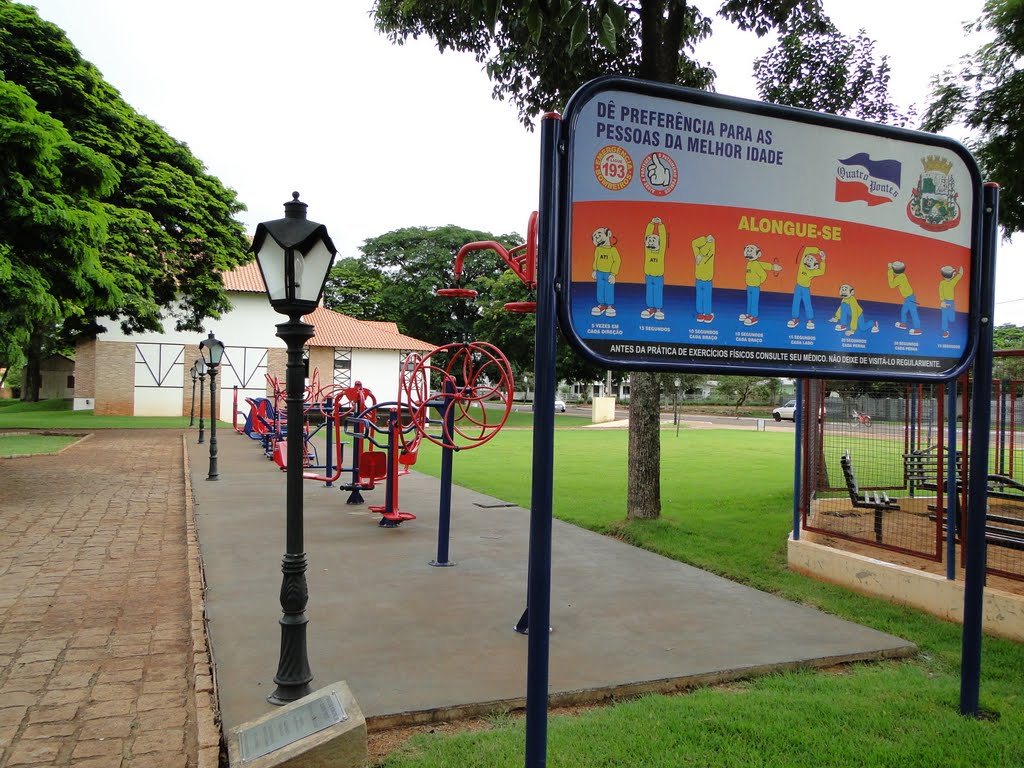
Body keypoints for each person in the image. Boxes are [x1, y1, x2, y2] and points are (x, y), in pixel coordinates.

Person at [740, 244, 780, 326]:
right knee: (749, 301)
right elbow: (762, 264)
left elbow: (764, 274)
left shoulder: (755, 264)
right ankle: (748, 314)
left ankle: (754, 317)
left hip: (755, 287)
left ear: (758, 254)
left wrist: (758, 282)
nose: (749, 252)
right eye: (747, 250)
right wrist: (772, 267)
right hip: (749, 286)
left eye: (751, 251)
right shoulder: (750, 263)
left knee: (754, 301)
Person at [788, 246, 826, 330]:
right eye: (808, 259)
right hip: (798, 287)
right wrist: (818, 251)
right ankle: (795, 319)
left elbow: (822, 271)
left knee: (807, 303)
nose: (808, 261)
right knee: (796, 302)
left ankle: (810, 320)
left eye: (811, 260)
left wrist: (823, 260)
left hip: (805, 289)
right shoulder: (802, 264)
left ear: (815, 266)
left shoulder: (813, 271)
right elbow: (806, 250)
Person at [591, 227, 621, 318]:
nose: (597, 237)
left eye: (599, 234)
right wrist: (595, 270)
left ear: (608, 234)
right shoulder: (598, 249)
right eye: (595, 236)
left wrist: (613, 274)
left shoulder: (613, 250)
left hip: (608, 274)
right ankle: (601, 305)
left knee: (609, 289)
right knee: (600, 288)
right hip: (599, 273)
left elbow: (617, 261)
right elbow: (596, 260)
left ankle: (609, 306)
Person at [641, 217, 667, 320]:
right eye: (650, 240)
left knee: (658, 292)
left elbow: (663, 238)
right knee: (649, 291)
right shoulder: (648, 251)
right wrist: (651, 224)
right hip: (648, 275)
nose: (651, 241)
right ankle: (650, 308)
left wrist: (660, 225)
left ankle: (658, 310)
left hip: (658, 276)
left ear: (659, 243)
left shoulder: (660, 252)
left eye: (654, 240)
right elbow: (646, 235)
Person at [887, 260, 921, 335]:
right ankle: (903, 324)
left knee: (913, 313)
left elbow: (891, 285)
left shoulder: (900, 277)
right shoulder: (902, 275)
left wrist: (889, 270)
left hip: (910, 298)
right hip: (908, 298)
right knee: (904, 311)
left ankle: (918, 329)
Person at [692, 233, 715, 322]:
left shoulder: (697, 254)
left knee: (700, 296)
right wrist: (708, 241)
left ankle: (700, 314)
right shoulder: (710, 250)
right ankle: (707, 315)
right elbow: (709, 247)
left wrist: (704, 240)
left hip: (699, 279)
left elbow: (694, 243)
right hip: (706, 280)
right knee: (706, 296)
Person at [938, 265, 964, 338]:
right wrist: (942, 301)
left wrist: (960, 274)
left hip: (951, 302)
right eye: (953, 273)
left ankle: (949, 327)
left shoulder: (952, 282)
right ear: (951, 275)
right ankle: (945, 331)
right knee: (944, 317)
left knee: (951, 318)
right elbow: (940, 292)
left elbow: (958, 278)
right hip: (945, 302)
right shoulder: (942, 283)